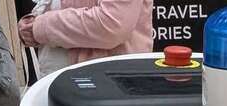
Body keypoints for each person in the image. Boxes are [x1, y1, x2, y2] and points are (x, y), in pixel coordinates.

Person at [18, 0, 153, 69]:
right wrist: (34, 23)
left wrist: (42, 27)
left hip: (105, 90)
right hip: (67, 86)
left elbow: (113, 23)